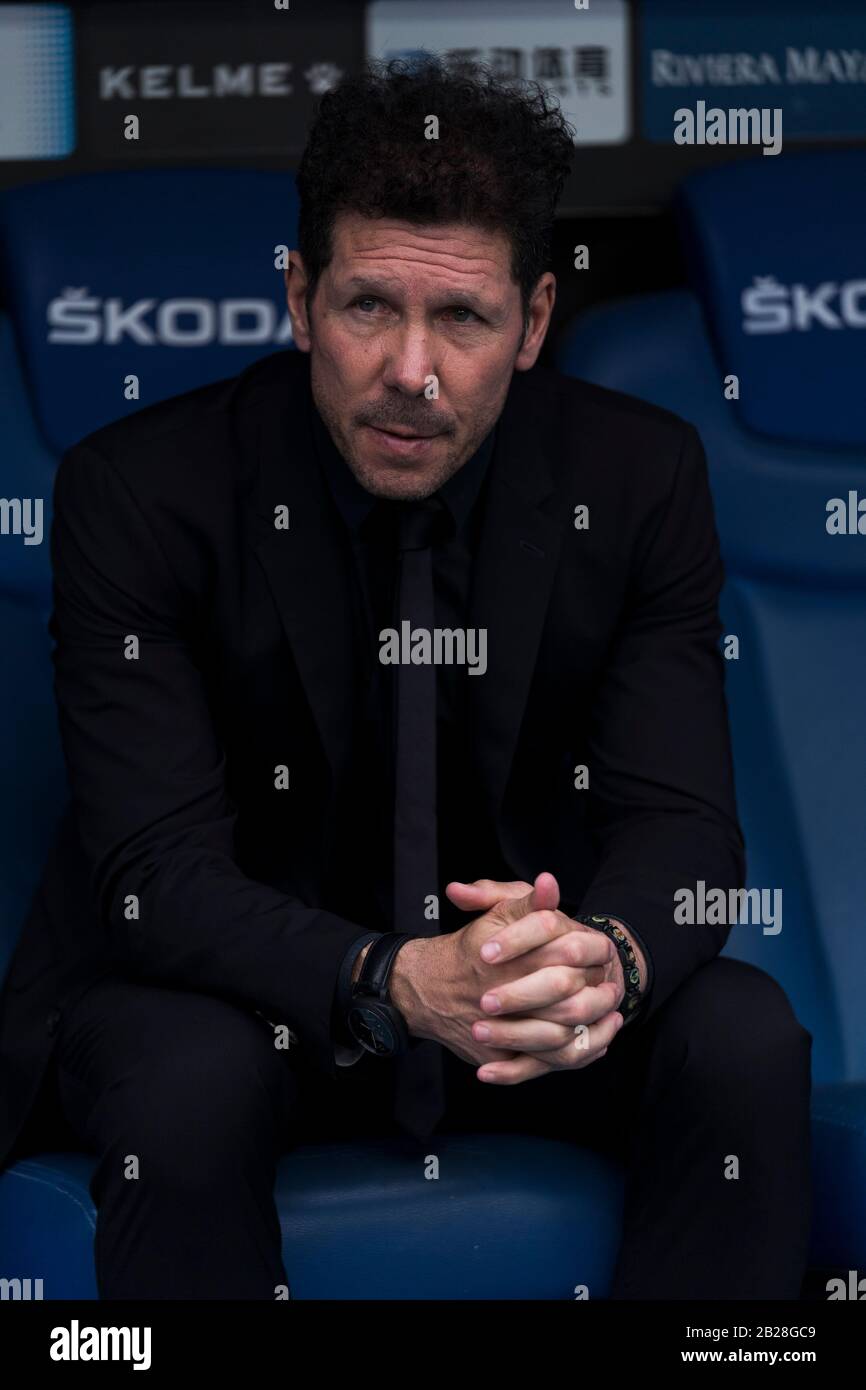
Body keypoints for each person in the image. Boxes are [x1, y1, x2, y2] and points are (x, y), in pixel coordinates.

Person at [0, 56, 811, 1299]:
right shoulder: (139, 492)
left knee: (740, 1031)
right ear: (297, 297)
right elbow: (151, 879)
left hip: (518, 1015)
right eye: (369, 307)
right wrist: (389, 979)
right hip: (242, 1004)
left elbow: (684, 828)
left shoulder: (640, 478)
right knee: (188, 1075)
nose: (411, 372)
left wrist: (605, 961)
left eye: (465, 320)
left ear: (535, 321)